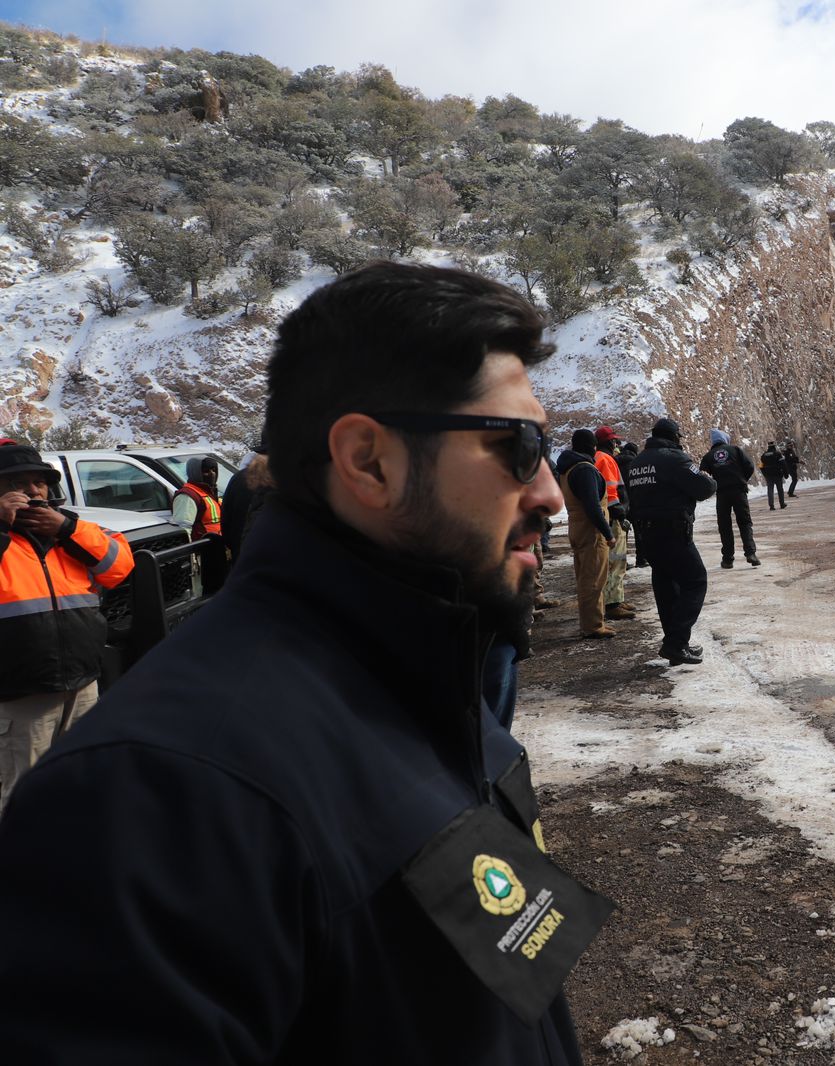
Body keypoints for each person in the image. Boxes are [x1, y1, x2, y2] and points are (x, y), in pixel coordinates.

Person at [0, 262, 610, 1064]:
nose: (550, 495)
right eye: (516, 446)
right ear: (369, 461)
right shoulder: (154, 796)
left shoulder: (425, 681)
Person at [0, 442, 135, 814]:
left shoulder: (69, 529)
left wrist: (68, 529)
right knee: (23, 797)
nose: (32, 491)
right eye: (17, 482)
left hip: (82, 685)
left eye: (39, 482)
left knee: (82, 782)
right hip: (23, 695)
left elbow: (119, 565)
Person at [625, 417, 715, 666]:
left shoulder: (637, 463)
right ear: (674, 437)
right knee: (695, 581)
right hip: (673, 533)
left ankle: (675, 644)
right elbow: (704, 487)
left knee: (666, 589)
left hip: (647, 535)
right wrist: (708, 477)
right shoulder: (674, 459)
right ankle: (675, 643)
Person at [554, 429, 617, 639]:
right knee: (593, 580)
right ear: (591, 446)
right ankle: (593, 626)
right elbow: (592, 506)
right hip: (591, 531)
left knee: (585, 578)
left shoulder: (567, 468)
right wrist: (608, 532)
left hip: (577, 527)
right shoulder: (585, 469)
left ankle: (590, 622)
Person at [593, 426, 636, 621]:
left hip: (606, 515)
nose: (616, 444)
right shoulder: (606, 459)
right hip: (612, 516)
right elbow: (611, 492)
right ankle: (612, 603)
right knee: (616, 560)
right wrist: (619, 513)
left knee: (613, 560)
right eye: (614, 441)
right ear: (610, 442)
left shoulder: (597, 457)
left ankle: (616, 598)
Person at [699, 429, 759, 569]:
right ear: (724, 439)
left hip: (722, 494)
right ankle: (751, 553)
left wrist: (714, 485)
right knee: (744, 522)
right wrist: (742, 479)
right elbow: (749, 466)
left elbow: (703, 476)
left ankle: (727, 559)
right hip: (739, 491)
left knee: (725, 526)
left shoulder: (708, 456)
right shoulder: (736, 450)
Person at [171, 455, 223, 541]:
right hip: (203, 550)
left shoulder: (211, 493)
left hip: (217, 547)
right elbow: (183, 530)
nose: (212, 474)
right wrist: (191, 553)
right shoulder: (187, 496)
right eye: (206, 471)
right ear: (195, 472)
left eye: (214, 470)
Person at [618, 440, 646, 569]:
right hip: (634, 503)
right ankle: (641, 559)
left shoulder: (614, 461)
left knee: (622, 535)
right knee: (639, 533)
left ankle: (621, 562)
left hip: (619, 504)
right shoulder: (635, 464)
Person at [759, 440, 787, 510]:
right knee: (780, 489)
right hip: (777, 474)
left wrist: (765, 474)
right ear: (774, 446)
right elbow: (783, 464)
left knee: (770, 490)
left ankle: (771, 506)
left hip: (768, 475)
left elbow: (761, 466)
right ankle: (782, 504)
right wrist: (785, 473)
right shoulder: (778, 454)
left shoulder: (764, 455)